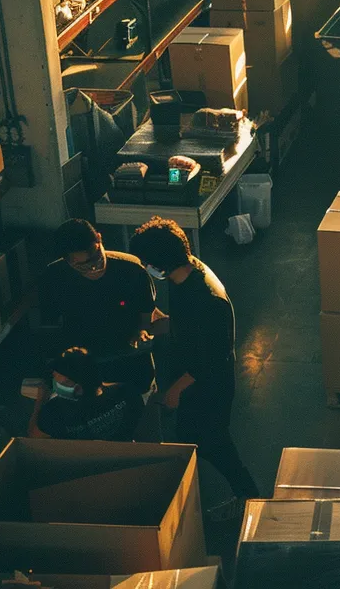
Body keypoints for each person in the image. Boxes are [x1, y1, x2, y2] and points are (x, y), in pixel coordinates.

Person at [128, 217, 262, 511]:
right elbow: (186, 325)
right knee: (191, 434)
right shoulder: (187, 272)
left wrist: (174, 391)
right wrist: (160, 325)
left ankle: (250, 497)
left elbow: (210, 360)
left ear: (159, 264)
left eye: (146, 263)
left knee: (215, 442)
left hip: (209, 385)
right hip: (195, 373)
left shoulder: (207, 301)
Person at [38, 219, 158, 394]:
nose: (94, 266)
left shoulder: (131, 270)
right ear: (67, 261)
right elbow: (50, 328)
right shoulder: (54, 278)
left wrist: (142, 331)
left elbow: (146, 313)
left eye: (96, 257)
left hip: (129, 353)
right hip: (83, 360)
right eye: (82, 265)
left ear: (100, 239)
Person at [29, 347, 144, 441]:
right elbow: (143, 432)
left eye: (59, 381)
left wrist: (40, 401)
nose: (54, 384)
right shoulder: (127, 393)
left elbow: (34, 437)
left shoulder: (54, 411)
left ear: (78, 388)